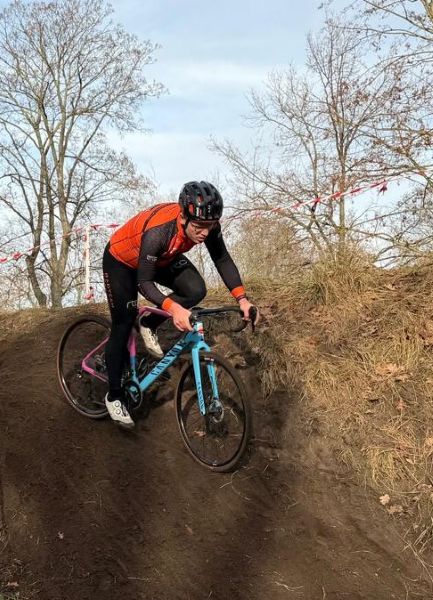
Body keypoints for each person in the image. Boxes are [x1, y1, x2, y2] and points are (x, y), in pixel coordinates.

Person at [102, 180, 259, 429]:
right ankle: (114, 396)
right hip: (122, 262)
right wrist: (173, 308)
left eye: (210, 226)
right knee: (123, 322)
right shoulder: (159, 231)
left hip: (161, 259)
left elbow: (222, 259)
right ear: (183, 217)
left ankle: (149, 323)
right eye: (199, 226)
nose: (205, 233)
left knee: (196, 289)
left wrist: (242, 299)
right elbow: (144, 282)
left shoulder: (206, 224)